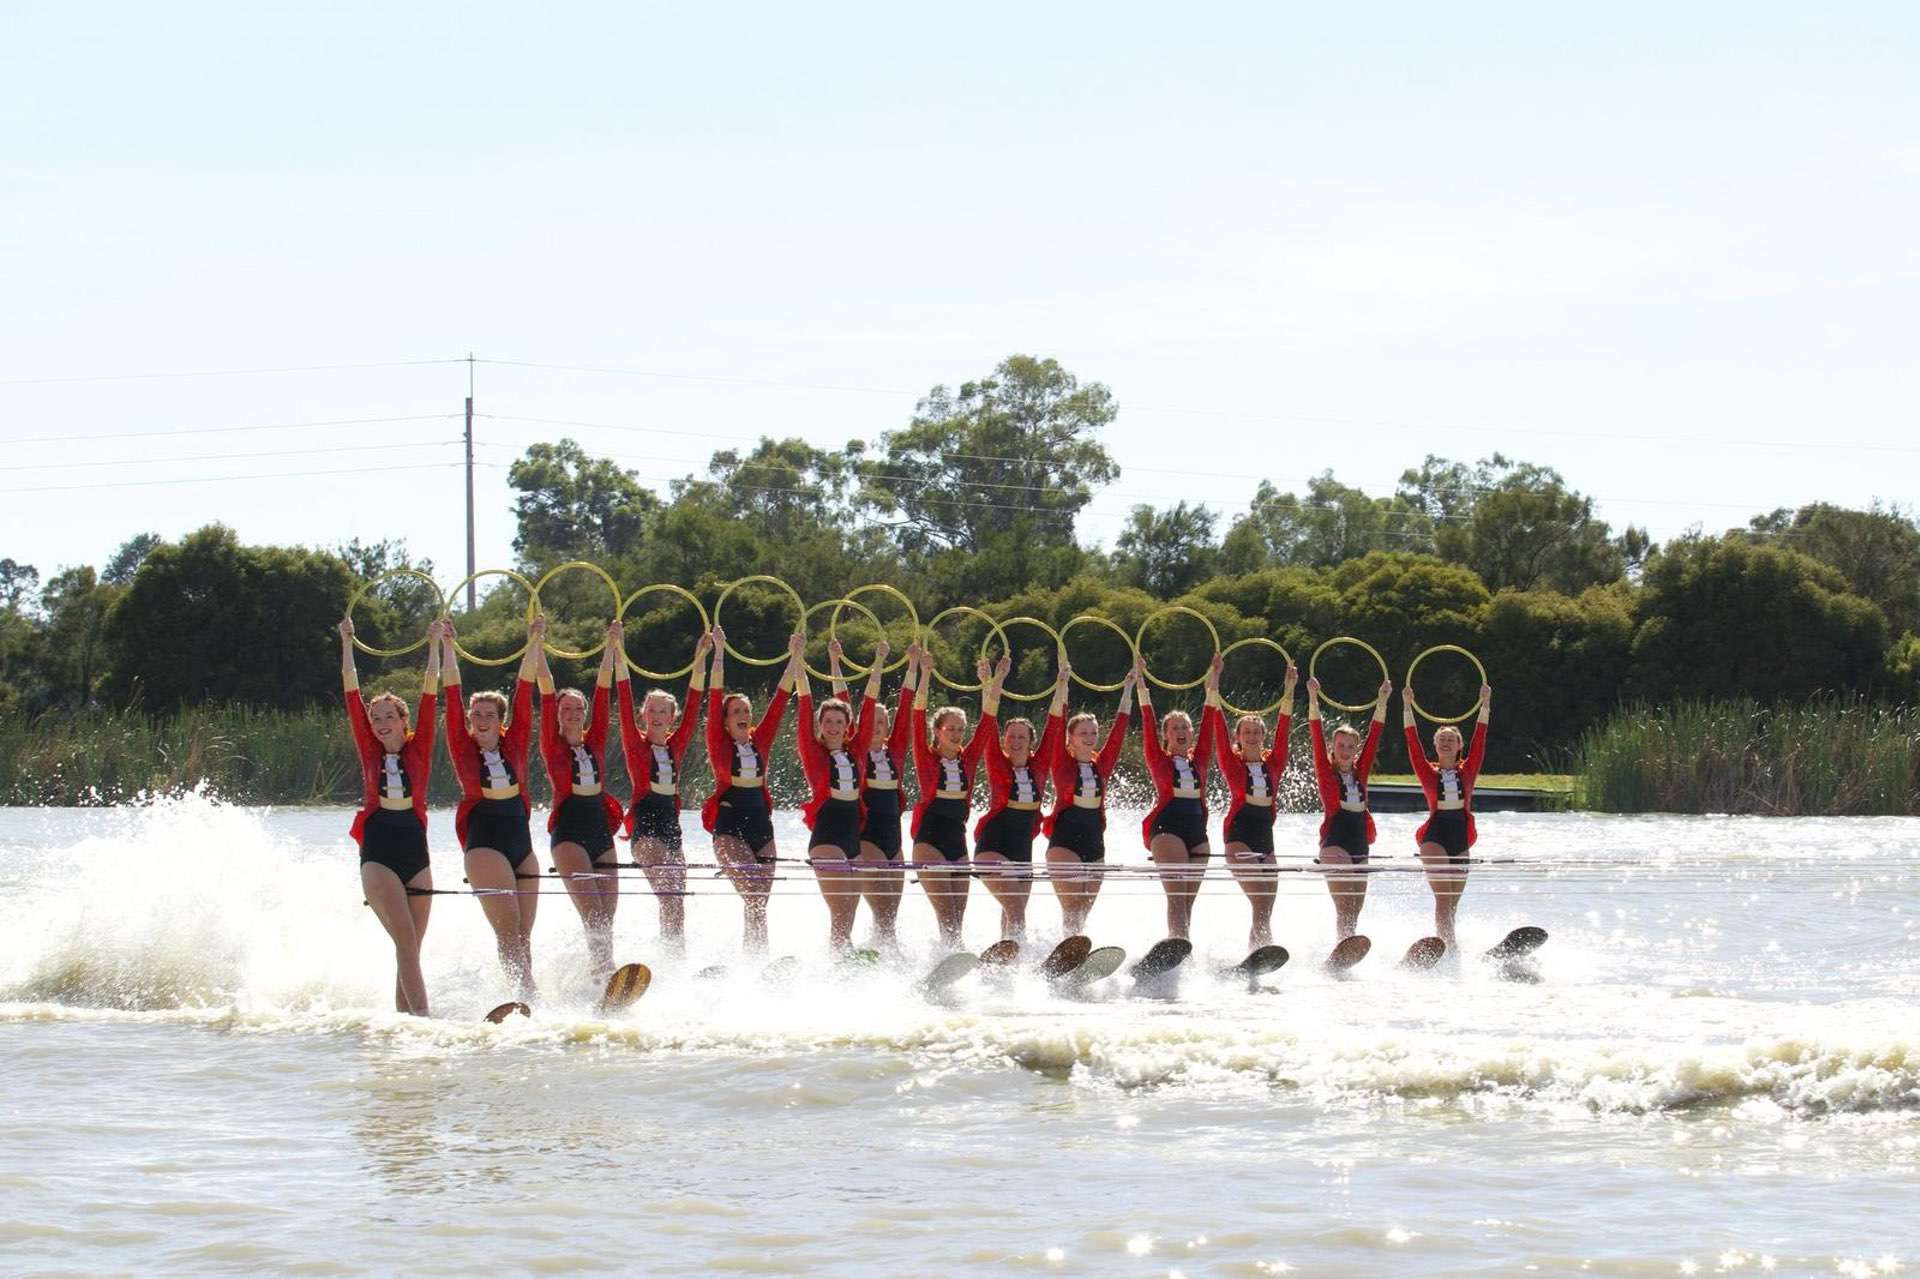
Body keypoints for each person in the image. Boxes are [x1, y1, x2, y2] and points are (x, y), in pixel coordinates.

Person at [338, 616, 443, 1016]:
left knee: (412, 947)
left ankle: (405, 1026)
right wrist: (347, 641)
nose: (380, 725)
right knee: (405, 944)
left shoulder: (420, 748)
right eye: (375, 719)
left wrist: (434, 645)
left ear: (403, 721)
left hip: (416, 849)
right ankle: (427, 1024)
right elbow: (351, 692)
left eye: (388, 718)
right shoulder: (369, 750)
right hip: (379, 850)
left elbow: (431, 695)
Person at [442, 615, 544, 996]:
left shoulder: (514, 742)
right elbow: (451, 696)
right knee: (508, 929)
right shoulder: (462, 745)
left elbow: (525, 689)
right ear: (469, 721)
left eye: (489, 715)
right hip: (485, 841)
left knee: (524, 933)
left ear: (501, 722)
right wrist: (448, 647)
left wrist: (534, 641)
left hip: (521, 840)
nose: (481, 719)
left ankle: (526, 996)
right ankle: (525, 996)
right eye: (476, 715)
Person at [534, 623, 626, 978]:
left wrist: (611, 645)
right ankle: (604, 973)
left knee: (608, 916)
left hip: (600, 831)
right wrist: (537, 644)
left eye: (578, 709)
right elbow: (545, 690)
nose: (572, 713)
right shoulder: (552, 744)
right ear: (558, 713)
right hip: (570, 833)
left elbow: (604, 691)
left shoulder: (596, 740)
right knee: (593, 914)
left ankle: (597, 974)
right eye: (566, 708)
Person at [702, 626, 802, 955]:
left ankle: (757, 958)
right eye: (736, 712)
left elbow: (780, 700)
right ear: (726, 721)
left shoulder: (760, 741)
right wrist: (719, 650)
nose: (744, 715)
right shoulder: (718, 743)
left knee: (759, 901)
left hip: (762, 824)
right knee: (753, 893)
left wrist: (795, 655)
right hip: (730, 827)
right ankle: (750, 957)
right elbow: (714, 694)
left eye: (746, 711)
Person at [615, 627, 712, 953]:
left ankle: (674, 961)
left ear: (672, 717)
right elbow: (624, 697)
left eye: (663, 711)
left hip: (672, 828)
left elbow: (696, 701)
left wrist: (700, 659)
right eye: (651, 710)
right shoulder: (635, 743)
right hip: (645, 828)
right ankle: (665, 957)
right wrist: (619, 650)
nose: (656, 716)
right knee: (668, 894)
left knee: (676, 904)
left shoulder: (676, 744)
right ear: (644, 715)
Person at [1205, 653, 1297, 949]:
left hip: (1265, 839)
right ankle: (1258, 950)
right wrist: (1215, 678)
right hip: (1239, 837)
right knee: (1260, 899)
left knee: (1267, 904)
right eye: (1247, 732)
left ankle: (1260, 952)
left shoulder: (1274, 764)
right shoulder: (1233, 765)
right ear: (1239, 737)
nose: (1253, 736)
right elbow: (1217, 722)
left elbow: (1284, 728)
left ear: (1263, 736)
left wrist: (1289, 689)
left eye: (1257, 732)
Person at [973, 657, 1066, 943]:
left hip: (1022, 847)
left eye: (1021, 737)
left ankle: (1006, 957)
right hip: (992, 845)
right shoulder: (997, 763)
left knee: (1013, 910)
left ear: (1030, 741)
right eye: (1011, 736)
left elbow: (1054, 725)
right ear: (1003, 741)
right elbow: (987, 722)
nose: (1015, 741)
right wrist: (990, 683)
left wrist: (1062, 684)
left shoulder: (1038, 767)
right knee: (1014, 908)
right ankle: (1019, 960)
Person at [1040, 658, 1135, 936]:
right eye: (1083, 733)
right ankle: (1068, 948)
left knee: (1084, 909)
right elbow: (1056, 722)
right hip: (1065, 840)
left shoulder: (1100, 764)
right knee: (1072, 906)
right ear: (1071, 738)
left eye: (1093, 733)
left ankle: (1074, 949)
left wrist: (1128, 688)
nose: (1090, 737)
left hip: (1095, 840)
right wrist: (1063, 685)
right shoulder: (1061, 762)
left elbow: (1118, 733)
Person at [829, 637, 913, 951]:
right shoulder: (857, 751)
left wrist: (913, 665)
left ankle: (885, 954)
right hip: (866, 835)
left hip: (894, 837)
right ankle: (863, 951)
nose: (876, 725)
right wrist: (836, 663)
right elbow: (844, 702)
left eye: (882, 721)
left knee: (891, 913)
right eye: (871, 721)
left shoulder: (897, 752)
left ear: (889, 727)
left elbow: (907, 707)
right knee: (881, 904)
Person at [907, 646, 992, 949]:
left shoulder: (966, 760)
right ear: (938, 731)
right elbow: (916, 717)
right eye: (950, 729)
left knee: (957, 921)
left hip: (958, 841)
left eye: (960, 729)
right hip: (929, 841)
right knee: (946, 918)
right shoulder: (926, 757)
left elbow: (987, 721)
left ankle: (950, 961)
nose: (956, 734)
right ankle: (944, 958)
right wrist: (925, 673)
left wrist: (988, 682)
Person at [1136, 656, 1220, 940]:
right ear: (1166, 735)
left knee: (1187, 903)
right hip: (1167, 830)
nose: (1181, 732)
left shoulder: (1200, 760)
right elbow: (1147, 720)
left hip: (1198, 832)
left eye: (1185, 727)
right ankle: (1178, 947)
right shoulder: (1158, 760)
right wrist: (1140, 681)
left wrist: (1214, 680)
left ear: (1192, 733)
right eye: (1175, 728)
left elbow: (1210, 721)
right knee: (1176, 898)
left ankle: (1181, 948)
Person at [794, 647, 872, 953]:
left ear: (847, 725)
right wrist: (799, 660)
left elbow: (868, 707)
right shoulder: (814, 752)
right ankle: (839, 964)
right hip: (827, 837)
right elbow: (803, 707)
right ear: (820, 724)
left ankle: (842, 961)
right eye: (828, 721)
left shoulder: (857, 750)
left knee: (850, 913)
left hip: (853, 836)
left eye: (839, 721)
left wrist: (877, 663)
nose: (833, 726)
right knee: (840, 914)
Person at [1404, 683, 1493, 947]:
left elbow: (1480, 740)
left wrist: (1485, 704)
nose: (1445, 742)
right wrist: (1407, 706)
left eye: (1450, 739)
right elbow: (1412, 743)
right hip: (1435, 838)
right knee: (1443, 900)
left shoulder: (1468, 771)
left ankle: (1450, 947)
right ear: (1435, 745)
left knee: (1453, 904)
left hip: (1460, 839)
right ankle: (1449, 949)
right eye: (1441, 739)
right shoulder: (1427, 772)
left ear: (1458, 746)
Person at [1306, 673, 1391, 940]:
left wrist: (1383, 700)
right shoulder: (1325, 771)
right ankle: (1343, 946)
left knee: (1355, 910)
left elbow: (1375, 736)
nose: (1345, 750)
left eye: (1350, 747)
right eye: (1340, 745)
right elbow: (1316, 735)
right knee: (1344, 909)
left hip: (1359, 844)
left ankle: (1346, 951)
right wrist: (1313, 698)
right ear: (1334, 747)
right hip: (1335, 843)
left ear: (1356, 750)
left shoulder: (1360, 772)